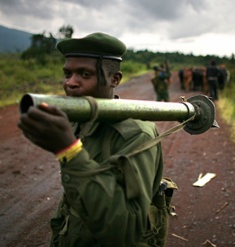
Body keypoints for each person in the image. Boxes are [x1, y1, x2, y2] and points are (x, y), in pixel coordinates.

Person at [18, 32, 173, 247]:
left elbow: (126, 230)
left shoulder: (136, 134)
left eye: (84, 74)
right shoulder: (80, 121)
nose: (71, 83)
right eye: (67, 74)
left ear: (114, 79)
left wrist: (69, 151)